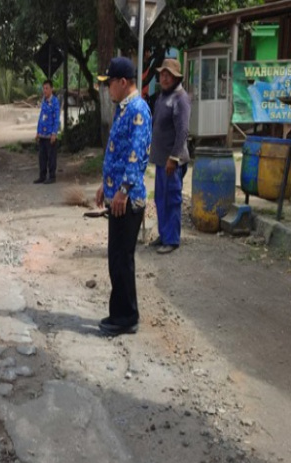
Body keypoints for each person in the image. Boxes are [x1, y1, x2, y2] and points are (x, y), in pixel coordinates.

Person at [95, 57, 152, 337]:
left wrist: (123, 190)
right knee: (115, 258)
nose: (108, 91)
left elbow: (137, 155)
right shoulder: (123, 109)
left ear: (122, 82)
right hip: (116, 195)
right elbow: (117, 152)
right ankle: (119, 313)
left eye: (110, 85)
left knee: (122, 258)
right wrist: (104, 187)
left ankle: (127, 317)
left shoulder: (138, 110)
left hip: (128, 200)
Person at [149, 58, 191, 254]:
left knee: (171, 199)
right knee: (160, 199)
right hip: (160, 159)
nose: (164, 78)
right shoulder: (162, 96)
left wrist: (173, 158)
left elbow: (182, 131)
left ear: (176, 77)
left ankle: (172, 239)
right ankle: (164, 234)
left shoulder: (180, 98)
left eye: (168, 75)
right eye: (162, 74)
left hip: (172, 161)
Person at [34, 80, 61, 184]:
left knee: (51, 157)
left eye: (46, 88)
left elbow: (57, 119)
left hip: (50, 135)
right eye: (43, 88)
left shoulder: (55, 102)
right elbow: (41, 117)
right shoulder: (44, 101)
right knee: (42, 157)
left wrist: (54, 133)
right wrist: (37, 132)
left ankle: (52, 176)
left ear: (51, 89)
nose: (44, 90)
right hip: (42, 134)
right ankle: (42, 176)